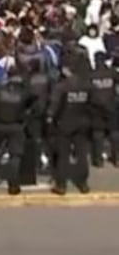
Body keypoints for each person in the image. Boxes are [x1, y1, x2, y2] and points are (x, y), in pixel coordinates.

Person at [48, 51, 93, 195]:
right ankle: (83, 184)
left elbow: (54, 106)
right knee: (82, 154)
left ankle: (61, 185)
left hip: (65, 123)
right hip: (83, 122)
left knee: (63, 155)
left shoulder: (62, 86)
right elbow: (91, 104)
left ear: (66, 69)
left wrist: (50, 118)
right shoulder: (86, 85)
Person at [0, 71, 33, 194]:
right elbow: (34, 101)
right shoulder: (25, 93)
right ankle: (13, 185)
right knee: (15, 156)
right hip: (16, 126)